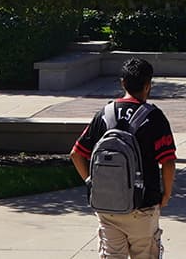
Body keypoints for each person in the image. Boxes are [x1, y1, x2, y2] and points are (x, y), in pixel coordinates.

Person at [71, 58, 178, 259]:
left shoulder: (104, 114)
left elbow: (76, 154)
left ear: (123, 83)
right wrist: (166, 193)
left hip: (107, 205)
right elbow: (168, 161)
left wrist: (90, 183)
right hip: (143, 205)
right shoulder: (154, 117)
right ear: (148, 85)